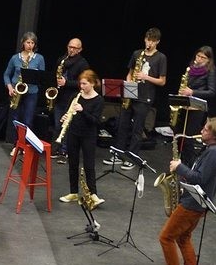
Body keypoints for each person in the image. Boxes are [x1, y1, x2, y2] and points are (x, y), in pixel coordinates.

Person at [155, 117, 216, 265]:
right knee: (183, 237)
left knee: (166, 237)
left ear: (214, 135)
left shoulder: (214, 153)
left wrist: (179, 167)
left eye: (206, 129)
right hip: (197, 203)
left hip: (192, 204)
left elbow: (200, 178)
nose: (202, 131)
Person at [116, 28, 167, 160]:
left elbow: (162, 81)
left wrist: (146, 77)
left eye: (153, 41)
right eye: (148, 40)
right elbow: (130, 73)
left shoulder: (161, 57)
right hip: (131, 94)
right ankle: (118, 154)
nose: (149, 43)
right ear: (145, 39)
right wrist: (129, 83)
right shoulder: (137, 53)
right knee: (122, 126)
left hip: (145, 97)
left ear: (157, 42)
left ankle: (132, 158)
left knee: (137, 129)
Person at [58, 70, 105, 207]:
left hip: (88, 135)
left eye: (84, 84)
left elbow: (95, 121)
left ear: (92, 83)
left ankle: (93, 194)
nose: (82, 86)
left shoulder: (99, 100)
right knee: (73, 163)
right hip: (73, 133)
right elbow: (69, 111)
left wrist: (82, 111)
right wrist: (65, 117)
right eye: (81, 83)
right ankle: (73, 192)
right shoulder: (75, 96)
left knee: (89, 165)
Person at [1, 32, 45, 136]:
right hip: (16, 92)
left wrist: (35, 74)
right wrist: (10, 87)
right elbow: (6, 74)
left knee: (28, 120)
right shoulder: (15, 58)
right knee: (15, 119)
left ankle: (25, 143)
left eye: (32, 43)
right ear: (23, 43)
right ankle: (17, 142)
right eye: (28, 42)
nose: (30, 45)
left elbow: (42, 77)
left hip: (31, 93)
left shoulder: (39, 58)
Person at [174, 46, 216, 137]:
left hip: (197, 108)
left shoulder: (211, 70)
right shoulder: (190, 68)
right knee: (178, 133)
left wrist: (192, 92)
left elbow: (212, 92)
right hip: (185, 105)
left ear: (208, 60)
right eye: (198, 56)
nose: (199, 59)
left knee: (190, 135)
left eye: (203, 57)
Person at [52, 38, 89, 142]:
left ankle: (65, 149)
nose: (71, 50)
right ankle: (57, 147)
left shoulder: (83, 64)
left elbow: (83, 83)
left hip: (72, 99)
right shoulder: (62, 60)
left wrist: (66, 83)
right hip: (59, 97)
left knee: (67, 127)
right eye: (70, 47)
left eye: (74, 48)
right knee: (58, 125)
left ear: (80, 49)